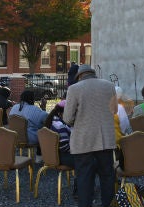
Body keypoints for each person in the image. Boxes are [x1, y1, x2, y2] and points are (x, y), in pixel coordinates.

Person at [63, 64, 117, 207]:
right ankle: (109, 204)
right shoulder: (109, 86)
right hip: (105, 139)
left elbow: (67, 118)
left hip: (83, 141)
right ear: (93, 73)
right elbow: (114, 110)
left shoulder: (74, 89)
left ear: (79, 76)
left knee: (84, 178)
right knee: (107, 176)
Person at [44, 100, 74, 167]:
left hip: (52, 155)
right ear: (60, 113)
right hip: (62, 157)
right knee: (87, 160)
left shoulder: (52, 121)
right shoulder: (60, 126)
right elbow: (64, 147)